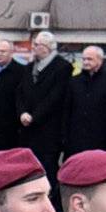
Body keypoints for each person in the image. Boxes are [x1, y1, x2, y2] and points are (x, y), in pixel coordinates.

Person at [18, 32, 70, 183]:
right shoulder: (29, 68)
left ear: (47, 47)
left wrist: (35, 116)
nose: (33, 48)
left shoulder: (62, 67)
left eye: (37, 45)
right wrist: (22, 112)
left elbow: (55, 97)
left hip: (48, 128)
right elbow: (20, 92)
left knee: (47, 166)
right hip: (27, 127)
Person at [61, 45, 106, 162]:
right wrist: (64, 135)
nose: (85, 62)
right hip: (77, 137)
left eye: (89, 59)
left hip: (101, 137)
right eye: (83, 59)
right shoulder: (74, 81)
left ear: (100, 60)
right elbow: (67, 110)